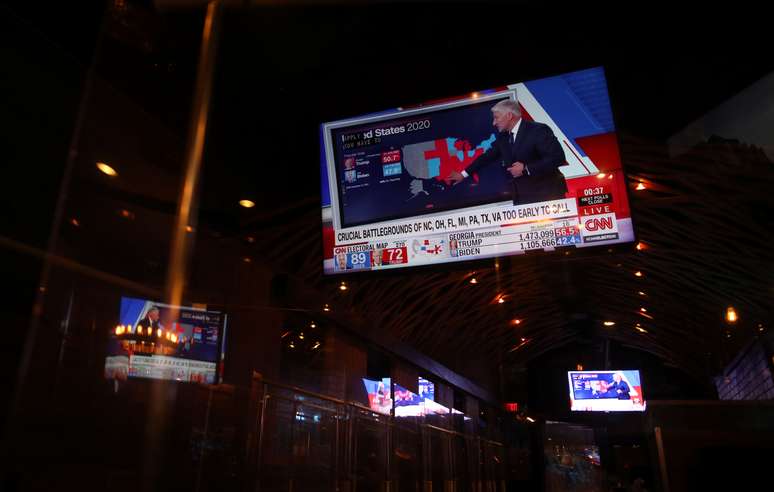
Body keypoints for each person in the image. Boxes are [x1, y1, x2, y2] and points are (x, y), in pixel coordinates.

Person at [445, 99, 567, 205]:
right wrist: (463, 174)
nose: (494, 122)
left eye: (496, 117)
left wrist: (526, 168)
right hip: (522, 198)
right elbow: (486, 157)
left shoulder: (538, 130)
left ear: (509, 115)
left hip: (548, 196)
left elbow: (557, 158)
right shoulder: (503, 137)